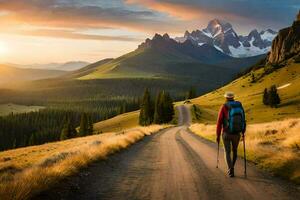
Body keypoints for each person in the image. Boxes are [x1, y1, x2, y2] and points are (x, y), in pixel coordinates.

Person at [216, 92, 246, 177]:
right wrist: (243, 132)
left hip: (226, 133)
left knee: (227, 152)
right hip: (237, 133)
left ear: (226, 98)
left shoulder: (224, 106)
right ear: (233, 97)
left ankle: (231, 170)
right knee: (235, 151)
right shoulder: (239, 106)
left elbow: (219, 122)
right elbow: (243, 119)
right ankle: (232, 167)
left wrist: (218, 135)